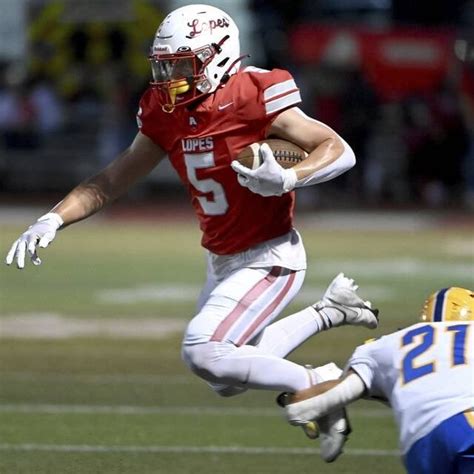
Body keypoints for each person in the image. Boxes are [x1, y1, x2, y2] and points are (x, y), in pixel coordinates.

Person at [5, 3, 378, 444]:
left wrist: (288, 177)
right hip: (220, 258)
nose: (170, 78)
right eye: (164, 66)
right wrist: (53, 218)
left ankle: (318, 384)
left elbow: (339, 149)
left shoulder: (253, 91)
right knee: (225, 376)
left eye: (181, 65)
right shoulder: (165, 112)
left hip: (270, 256)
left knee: (204, 350)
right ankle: (331, 310)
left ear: (218, 55)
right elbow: (111, 179)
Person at [282, 287, 474, 473]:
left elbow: (306, 404)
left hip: (418, 445)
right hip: (467, 424)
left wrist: (313, 386)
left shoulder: (389, 344)